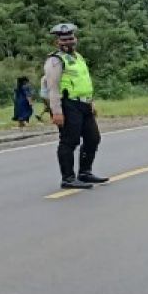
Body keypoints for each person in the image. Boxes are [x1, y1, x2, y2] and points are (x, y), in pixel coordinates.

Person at [44, 23, 107, 189]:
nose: (68, 42)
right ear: (57, 42)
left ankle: (85, 172)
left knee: (93, 138)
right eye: (63, 39)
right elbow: (53, 87)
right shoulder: (55, 60)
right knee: (69, 141)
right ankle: (68, 178)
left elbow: (84, 81)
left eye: (71, 38)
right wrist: (56, 112)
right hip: (68, 104)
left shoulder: (78, 57)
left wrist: (90, 103)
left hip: (84, 104)